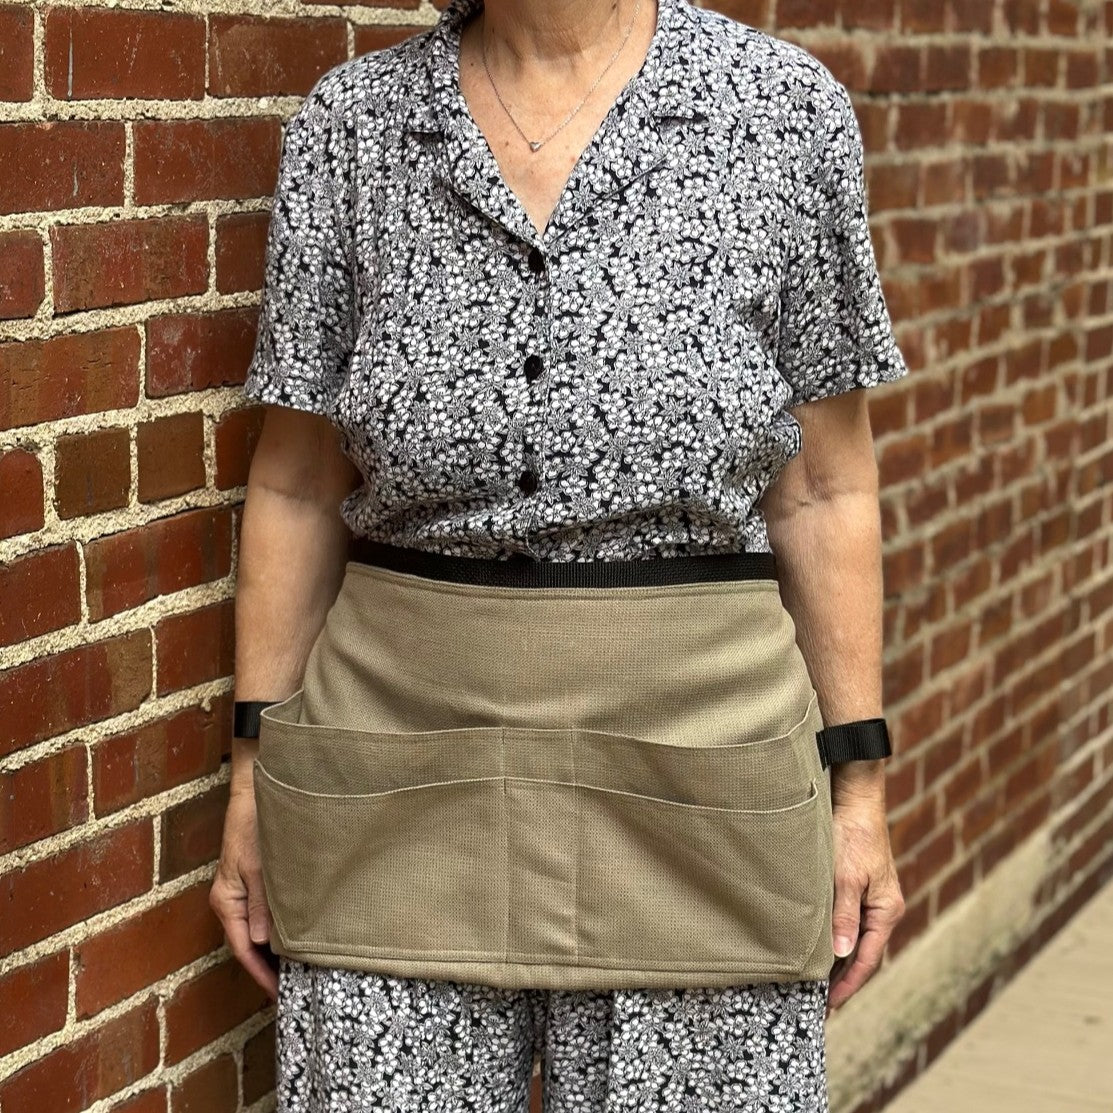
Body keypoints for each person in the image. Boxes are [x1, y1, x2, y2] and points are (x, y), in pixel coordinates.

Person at [209, 0, 908, 1108]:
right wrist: (255, 772)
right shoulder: (354, 128)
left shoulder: (780, 115)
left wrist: (858, 789)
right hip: (395, 777)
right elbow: (296, 485)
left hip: (703, 776)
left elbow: (826, 488)